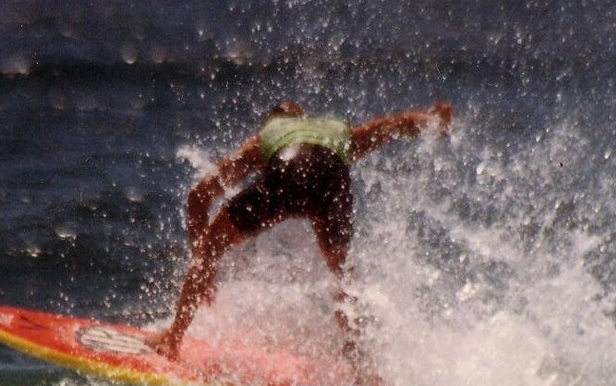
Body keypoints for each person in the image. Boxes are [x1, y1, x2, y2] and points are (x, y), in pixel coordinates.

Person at [147, 100, 454, 361]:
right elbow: (392, 125)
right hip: (332, 181)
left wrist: (205, 261)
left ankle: (172, 339)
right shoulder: (335, 132)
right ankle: (361, 363)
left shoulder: (263, 139)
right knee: (342, 275)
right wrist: (430, 120)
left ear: (272, 123)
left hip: (285, 174)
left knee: (213, 246)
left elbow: (198, 196)